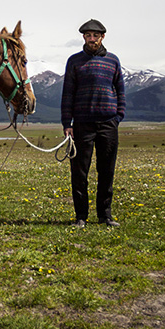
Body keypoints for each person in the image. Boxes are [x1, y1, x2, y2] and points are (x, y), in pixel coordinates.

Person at [61, 19, 126, 227]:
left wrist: (118, 117)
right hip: (81, 124)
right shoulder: (74, 61)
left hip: (108, 124)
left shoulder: (113, 61)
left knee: (107, 171)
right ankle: (81, 217)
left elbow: (121, 90)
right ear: (83, 37)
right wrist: (67, 123)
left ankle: (105, 215)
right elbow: (68, 93)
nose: (92, 39)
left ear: (102, 37)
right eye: (88, 35)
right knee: (79, 172)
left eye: (95, 36)